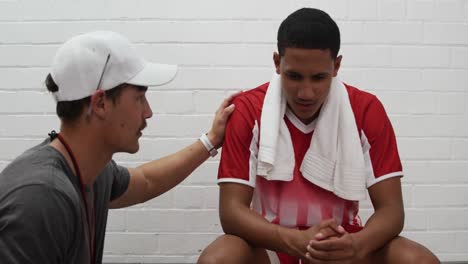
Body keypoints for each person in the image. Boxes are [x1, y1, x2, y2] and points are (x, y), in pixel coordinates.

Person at [198, 8, 440, 264]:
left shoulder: (367, 109)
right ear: (277, 63)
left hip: (342, 244)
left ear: (336, 66)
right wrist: (294, 241)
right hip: (271, 245)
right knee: (220, 258)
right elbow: (231, 213)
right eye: (294, 76)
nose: (306, 93)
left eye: (318, 78)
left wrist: (356, 245)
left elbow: (392, 211)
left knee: (417, 259)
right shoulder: (247, 110)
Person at [0, 31, 236, 264]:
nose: (148, 112)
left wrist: (212, 140)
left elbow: (145, 181)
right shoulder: (42, 196)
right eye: (139, 98)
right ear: (100, 103)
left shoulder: (91, 172)